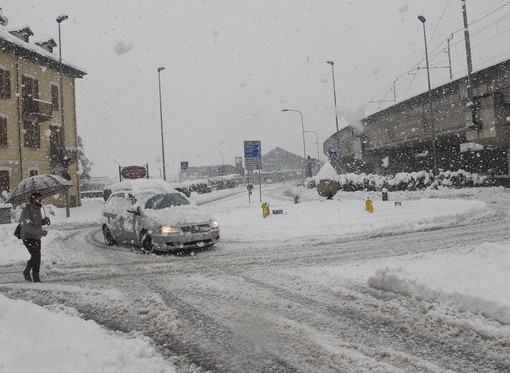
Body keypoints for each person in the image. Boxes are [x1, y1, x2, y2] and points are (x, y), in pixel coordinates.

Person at [20, 192, 50, 283]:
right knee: (35, 256)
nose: (41, 201)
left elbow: (36, 222)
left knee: (37, 257)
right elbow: (27, 226)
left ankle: (35, 277)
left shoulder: (38, 209)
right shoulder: (27, 209)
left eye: (41, 199)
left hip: (36, 237)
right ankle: (28, 273)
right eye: (38, 199)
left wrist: (44, 221)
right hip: (28, 236)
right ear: (33, 199)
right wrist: (40, 232)